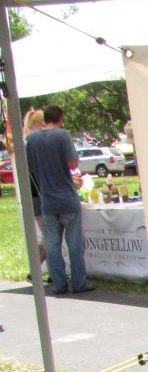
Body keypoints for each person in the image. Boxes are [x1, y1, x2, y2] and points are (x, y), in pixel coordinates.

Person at [25, 104, 90, 294]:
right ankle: (79, 283)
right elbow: (72, 163)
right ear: (60, 118)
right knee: (75, 243)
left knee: (52, 244)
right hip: (67, 197)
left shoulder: (32, 139)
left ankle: (59, 283)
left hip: (47, 200)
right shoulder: (63, 135)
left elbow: (29, 167)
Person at [22, 108, 47, 270]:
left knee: (46, 235)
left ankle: (36, 269)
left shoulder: (26, 140)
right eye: (43, 123)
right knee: (48, 236)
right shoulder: (31, 141)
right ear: (37, 123)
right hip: (36, 193)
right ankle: (35, 269)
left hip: (35, 193)